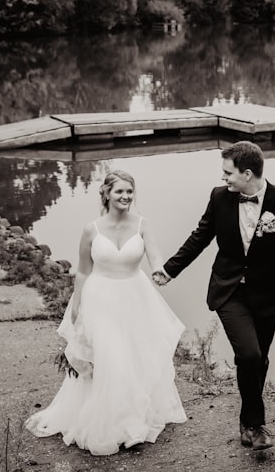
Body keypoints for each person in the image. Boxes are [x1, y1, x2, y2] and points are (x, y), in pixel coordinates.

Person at [153, 141, 275, 451]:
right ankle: (257, 425)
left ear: (247, 173)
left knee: (259, 360)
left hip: (267, 295)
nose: (223, 178)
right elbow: (200, 237)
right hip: (229, 290)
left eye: (228, 173)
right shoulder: (219, 198)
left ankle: (246, 420)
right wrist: (170, 269)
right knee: (249, 355)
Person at [25, 170, 187, 455]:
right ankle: (115, 424)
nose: (125, 197)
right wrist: (76, 307)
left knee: (134, 358)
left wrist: (161, 270)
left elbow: (155, 256)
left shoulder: (143, 225)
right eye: (119, 192)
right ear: (107, 194)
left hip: (135, 297)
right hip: (100, 298)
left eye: (129, 192)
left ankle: (132, 422)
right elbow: (84, 271)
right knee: (110, 358)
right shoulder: (92, 229)